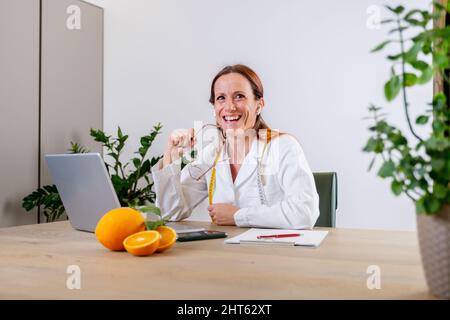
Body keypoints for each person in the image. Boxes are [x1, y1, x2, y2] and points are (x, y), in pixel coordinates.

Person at [151, 64, 320, 229]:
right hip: (227, 253)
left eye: (239, 96)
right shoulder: (212, 155)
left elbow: (304, 212)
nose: (230, 107)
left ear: (259, 105)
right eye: (221, 98)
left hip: (277, 253)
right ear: (214, 108)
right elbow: (170, 213)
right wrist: (169, 157)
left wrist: (238, 216)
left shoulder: (283, 147)